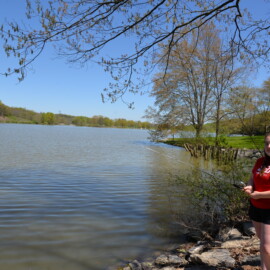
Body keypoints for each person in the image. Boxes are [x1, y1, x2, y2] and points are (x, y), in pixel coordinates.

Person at [243, 132, 270, 270]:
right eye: (266, 143)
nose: (269, 146)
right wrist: (250, 186)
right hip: (256, 208)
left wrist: (259, 194)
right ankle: (263, 266)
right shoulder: (260, 161)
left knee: (267, 247)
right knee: (263, 242)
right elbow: (252, 177)